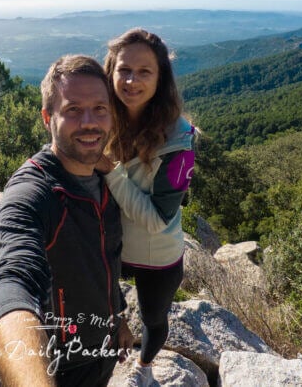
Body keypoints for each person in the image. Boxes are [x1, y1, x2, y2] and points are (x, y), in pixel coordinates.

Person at [0, 54, 135, 387]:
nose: (89, 122)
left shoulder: (107, 183)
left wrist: (118, 320)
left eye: (100, 108)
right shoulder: (34, 189)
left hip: (105, 352)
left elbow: (104, 260)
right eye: (72, 110)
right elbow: (13, 279)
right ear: (46, 118)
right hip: (60, 369)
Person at [98, 29, 196, 387]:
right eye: (124, 70)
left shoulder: (179, 144)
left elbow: (157, 219)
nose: (131, 80)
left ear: (160, 79)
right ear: (110, 72)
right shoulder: (101, 116)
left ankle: (144, 367)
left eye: (144, 72)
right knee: (100, 311)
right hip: (109, 243)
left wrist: (111, 173)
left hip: (157, 254)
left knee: (154, 318)